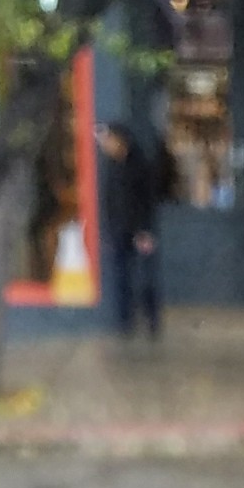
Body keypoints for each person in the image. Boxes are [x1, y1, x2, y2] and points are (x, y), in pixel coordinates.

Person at [97, 123, 169, 338]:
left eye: (109, 140)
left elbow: (148, 200)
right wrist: (108, 229)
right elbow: (108, 199)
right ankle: (124, 322)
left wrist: (145, 230)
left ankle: (152, 319)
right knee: (121, 278)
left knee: (145, 278)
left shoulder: (139, 164)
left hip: (140, 231)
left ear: (120, 140)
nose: (105, 145)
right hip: (118, 230)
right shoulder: (110, 165)